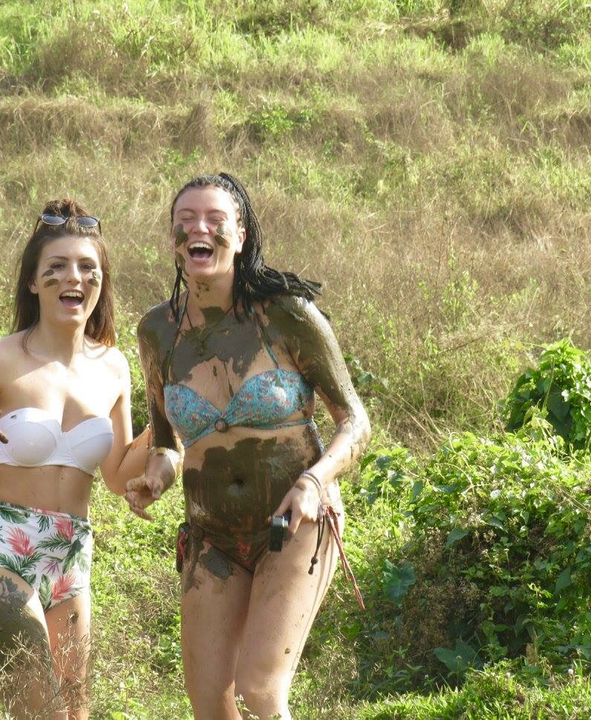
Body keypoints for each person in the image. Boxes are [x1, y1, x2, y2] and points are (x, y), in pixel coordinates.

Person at [126, 173, 370, 719]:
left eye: (215, 219)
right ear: (173, 241)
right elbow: (167, 442)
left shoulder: (285, 315)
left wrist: (313, 482)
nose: (198, 229)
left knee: (260, 690)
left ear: (240, 234)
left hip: (295, 525)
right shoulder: (158, 334)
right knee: (209, 702)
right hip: (211, 537)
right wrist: (155, 477)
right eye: (185, 221)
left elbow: (355, 421)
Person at [0, 199, 150, 719]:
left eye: (89, 267)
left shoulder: (113, 367)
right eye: (58, 267)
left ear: (102, 281)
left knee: (75, 715)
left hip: (72, 561)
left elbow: (116, 476)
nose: (75, 278)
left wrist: (171, 413)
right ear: (33, 282)